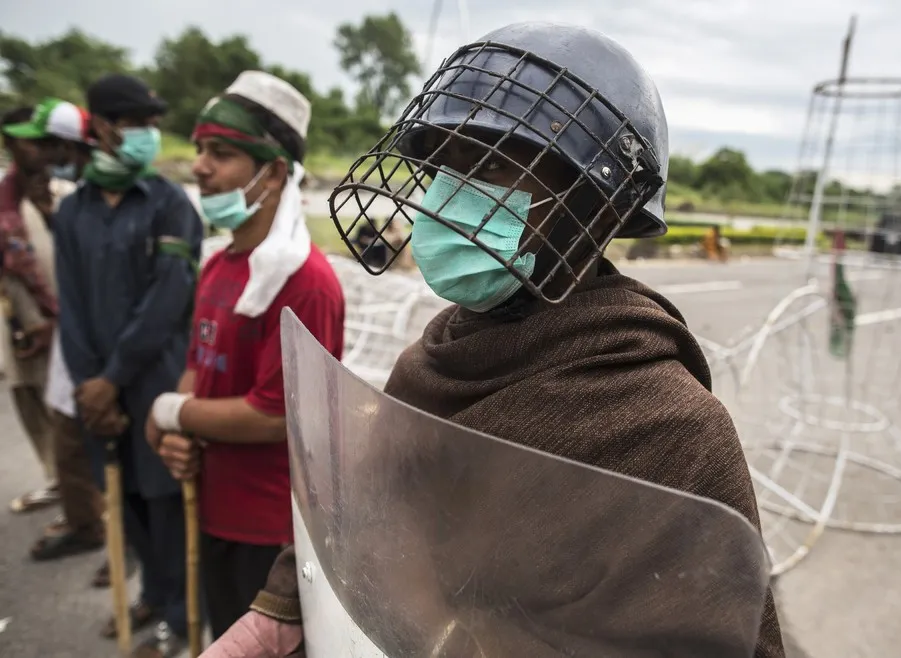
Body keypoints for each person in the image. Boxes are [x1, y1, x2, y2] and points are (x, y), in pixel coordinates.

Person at [204, 22, 784, 658]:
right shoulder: (432, 361)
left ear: (594, 208)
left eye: (498, 165)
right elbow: (366, 517)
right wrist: (282, 607)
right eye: (445, 162)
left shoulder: (673, 428)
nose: (449, 194)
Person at [146, 71, 345, 642]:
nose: (200, 166)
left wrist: (167, 414)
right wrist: (182, 432)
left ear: (275, 171)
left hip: (270, 532)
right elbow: (197, 368)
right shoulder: (217, 265)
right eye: (201, 149)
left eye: (222, 153)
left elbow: (273, 413)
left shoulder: (306, 283)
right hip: (210, 504)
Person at [52, 74, 203, 657]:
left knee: (165, 501)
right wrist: (93, 386)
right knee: (128, 503)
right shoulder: (74, 212)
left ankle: (179, 615)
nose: (146, 134)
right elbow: (72, 307)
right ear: (102, 128)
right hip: (97, 389)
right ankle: (153, 592)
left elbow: (167, 300)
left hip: (153, 382)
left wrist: (113, 379)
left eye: (150, 123)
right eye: (134, 123)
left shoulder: (170, 205)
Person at [1, 103, 78, 515]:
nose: (39, 150)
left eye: (44, 142)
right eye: (29, 142)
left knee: (71, 408)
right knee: (29, 395)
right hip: (22, 320)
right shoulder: (4, 202)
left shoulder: (66, 195)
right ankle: (58, 481)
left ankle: (84, 497)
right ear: (12, 142)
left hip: (71, 321)